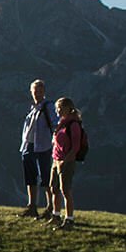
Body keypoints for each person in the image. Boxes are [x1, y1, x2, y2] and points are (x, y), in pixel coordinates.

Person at [18, 79, 56, 218]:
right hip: (29, 145)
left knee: (46, 178)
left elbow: (55, 124)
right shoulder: (33, 108)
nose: (37, 93)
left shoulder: (48, 107)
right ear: (31, 92)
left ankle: (50, 207)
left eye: (40, 91)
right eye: (35, 91)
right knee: (30, 176)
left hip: (43, 146)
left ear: (44, 92)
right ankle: (32, 205)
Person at [47, 97, 86, 230]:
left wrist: (66, 160)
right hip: (56, 159)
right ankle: (56, 215)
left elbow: (75, 147)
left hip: (66, 161)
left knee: (65, 190)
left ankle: (69, 219)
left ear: (68, 108)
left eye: (60, 108)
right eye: (57, 108)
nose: (58, 110)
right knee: (54, 188)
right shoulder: (62, 123)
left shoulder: (73, 125)